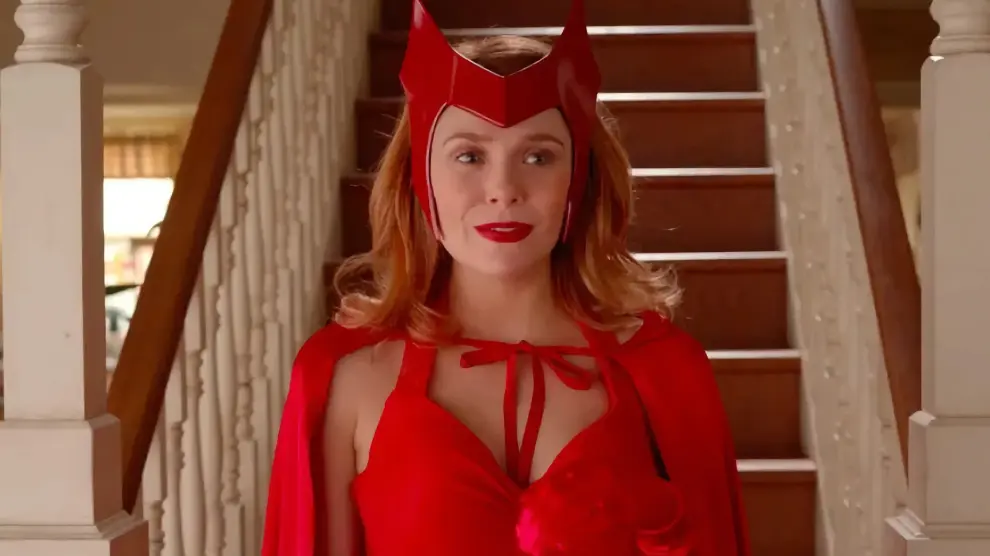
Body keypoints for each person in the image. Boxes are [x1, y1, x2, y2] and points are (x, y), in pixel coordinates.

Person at [261, 1, 750, 554]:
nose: (503, 190)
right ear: (420, 179)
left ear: (580, 180)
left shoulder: (664, 372)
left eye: (538, 157)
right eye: (469, 156)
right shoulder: (347, 377)